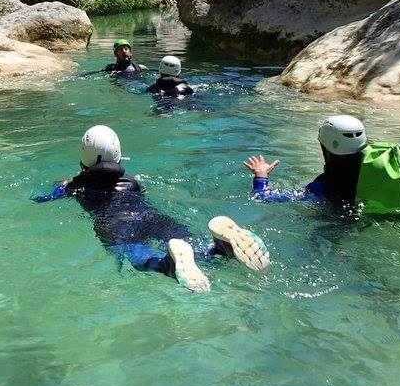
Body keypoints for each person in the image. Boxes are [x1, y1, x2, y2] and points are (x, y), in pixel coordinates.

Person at [34, 125, 269, 292]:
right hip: (151, 216)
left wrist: (54, 190)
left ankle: (166, 265)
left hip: (115, 225)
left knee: (137, 256)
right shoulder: (133, 180)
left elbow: (43, 199)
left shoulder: (73, 186)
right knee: (189, 244)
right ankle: (219, 249)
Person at [243, 115, 400, 218]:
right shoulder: (382, 165)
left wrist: (261, 176)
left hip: (343, 224)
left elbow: (266, 198)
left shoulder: (327, 184)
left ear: (327, 149)